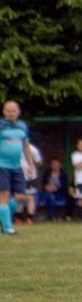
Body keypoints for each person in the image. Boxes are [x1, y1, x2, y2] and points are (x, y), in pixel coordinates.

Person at [0, 101, 36, 235]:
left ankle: (3, 219)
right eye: (8, 110)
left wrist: (31, 164)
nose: (10, 113)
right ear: (4, 112)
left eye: (13, 110)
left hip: (16, 166)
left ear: (18, 112)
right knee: (3, 196)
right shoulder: (1, 125)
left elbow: (26, 146)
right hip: (1, 166)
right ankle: (8, 228)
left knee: (21, 197)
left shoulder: (23, 126)